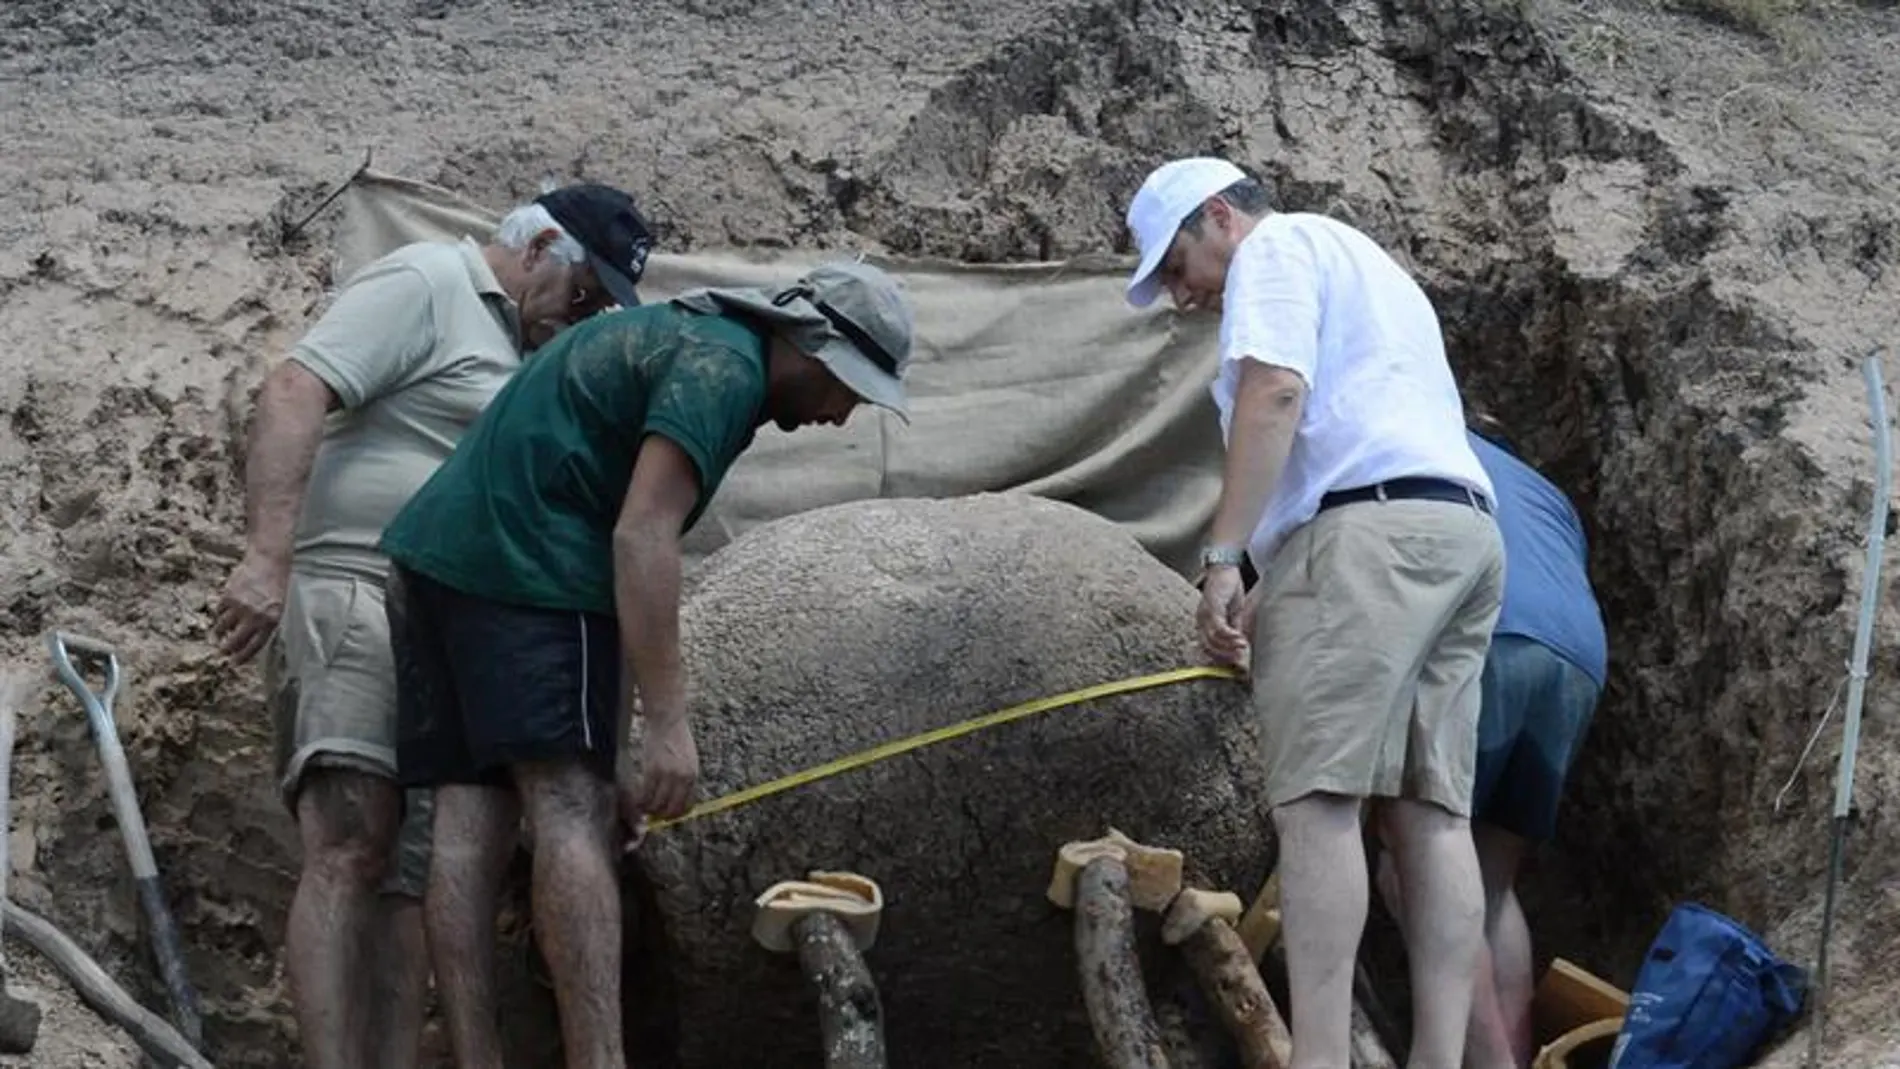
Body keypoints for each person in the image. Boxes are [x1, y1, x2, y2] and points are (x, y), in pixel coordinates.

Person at [375, 260, 916, 1069]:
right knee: (568, 809)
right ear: (818, 346)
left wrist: (620, 746)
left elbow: (614, 583)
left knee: (468, 821)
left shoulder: (685, 333)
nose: (841, 416)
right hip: (527, 565)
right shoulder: (724, 368)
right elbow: (640, 537)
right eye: (851, 390)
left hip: (438, 558)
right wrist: (667, 725)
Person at [210, 181, 654, 1069]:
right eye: (583, 292)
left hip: (445, 620)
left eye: (603, 305)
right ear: (538, 249)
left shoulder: (529, 351)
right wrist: (268, 556)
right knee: (350, 836)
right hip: (356, 582)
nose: (586, 315)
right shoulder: (427, 281)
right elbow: (297, 386)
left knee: (418, 873)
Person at [1124, 156, 1504, 1069]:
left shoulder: (1276, 250)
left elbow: (1278, 394)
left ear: (1219, 216)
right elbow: (1357, 447)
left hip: (1371, 537)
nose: (1182, 297)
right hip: (1457, 533)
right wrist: (1268, 593)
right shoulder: (1371, 265)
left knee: (1319, 802)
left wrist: (1221, 559)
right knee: (1433, 813)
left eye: (1177, 267)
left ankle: (1322, 1057)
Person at [1373, 413, 1608, 1069]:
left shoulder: (1403, 439)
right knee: (1491, 883)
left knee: (1413, 865)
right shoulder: (1540, 488)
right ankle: (1522, 1055)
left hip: (1487, 635)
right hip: (1576, 657)